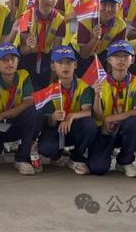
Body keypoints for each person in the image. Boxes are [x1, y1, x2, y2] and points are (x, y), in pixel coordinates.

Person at [0, 43, 44, 175]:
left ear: (18, 61)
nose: (9, 63)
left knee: (36, 113)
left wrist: (4, 114)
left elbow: (29, 101)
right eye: (4, 60)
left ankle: (22, 158)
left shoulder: (23, 75)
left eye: (13, 59)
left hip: (17, 124)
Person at [88, 41, 136, 177]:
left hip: (124, 129)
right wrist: (96, 96)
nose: (121, 60)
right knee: (98, 168)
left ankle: (125, 161)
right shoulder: (100, 82)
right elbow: (97, 117)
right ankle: (103, 153)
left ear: (132, 59)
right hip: (104, 130)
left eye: (125, 56)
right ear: (109, 59)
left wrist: (111, 118)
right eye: (116, 56)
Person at [37, 46, 96, 175]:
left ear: (75, 64)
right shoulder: (49, 90)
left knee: (90, 124)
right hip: (56, 130)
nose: (65, 67)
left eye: (69, 62)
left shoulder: (84, 86)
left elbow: (88, 111)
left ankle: (76, 157)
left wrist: (70, 117)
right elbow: (49, 122)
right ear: (53, 66)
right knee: (46, 148)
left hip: (74, 127)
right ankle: (56, 157)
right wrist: (53, 117)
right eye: (60, 63)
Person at [18, 0, 65, 90]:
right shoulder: (26, 16)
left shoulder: (60, 20)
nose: (49, 0)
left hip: (46, 58)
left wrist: (53, 75)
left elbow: (56, 50)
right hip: (27, 57)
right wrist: (29, 47)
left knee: (44, 89)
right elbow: (21, 51)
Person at [75, 0, 127, 75]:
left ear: (120, 6)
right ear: (97, 3)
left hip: (98, 54)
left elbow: (114, 53)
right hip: (77, 52)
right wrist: (95, 39)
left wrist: (111, 76)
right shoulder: (85, 20)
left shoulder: (121, 25)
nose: (108, 9)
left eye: (113, 5)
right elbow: (84, 55)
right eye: (104, 4)